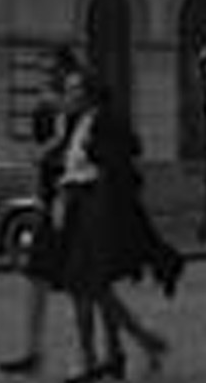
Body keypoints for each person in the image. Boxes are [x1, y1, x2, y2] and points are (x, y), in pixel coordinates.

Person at [49, 63, 176, 382]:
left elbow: (119, 164)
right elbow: (67, 165)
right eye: (68, 89)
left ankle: (116, 351)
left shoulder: (106, 121)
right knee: (86, 286)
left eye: (76, 89)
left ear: (90, 92)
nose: (70, 94)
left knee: (90, 284)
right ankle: (112, 354)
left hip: (96, 210)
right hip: (78, 208)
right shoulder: (76, 122)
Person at [0, 45, 80, 377]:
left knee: (87, 285)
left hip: (73, 200)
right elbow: (41, 155)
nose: (44, 76)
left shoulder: (77, 106)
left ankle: (120, 346)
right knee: (37, 276)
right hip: (51, 200)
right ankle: (33, 351)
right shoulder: (43, 110)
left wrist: (49, 149)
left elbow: (71, 152)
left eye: (50, 69)